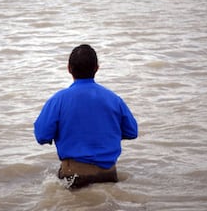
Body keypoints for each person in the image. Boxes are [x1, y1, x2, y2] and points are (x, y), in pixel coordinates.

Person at [34, 44, 138, 188]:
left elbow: (42, 136)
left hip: (74, 175)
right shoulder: (114, 99)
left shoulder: (58, 100)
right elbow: (132, 132)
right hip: (109, 175)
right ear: (96, 68)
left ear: (69, 68)